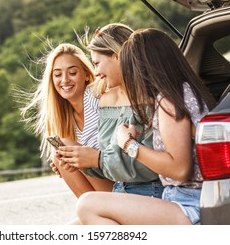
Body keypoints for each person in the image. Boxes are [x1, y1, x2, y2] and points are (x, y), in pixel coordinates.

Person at [74, 28, 216, 225]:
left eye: (130, 65)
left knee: (87, 205)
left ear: (144, 65)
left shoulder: (171, 100)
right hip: (181, 198)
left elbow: (180, 169)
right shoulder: (181, 92)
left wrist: (129, 144)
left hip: (189, 204)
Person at [57, 23, 164, 198]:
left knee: (87, 208)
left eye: (97, 63)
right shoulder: (106, 100)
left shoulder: (151, 100)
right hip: (119, 191)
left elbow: (154, 167)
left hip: (151, 192)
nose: (96, 72)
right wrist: (83, 163)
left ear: (117, 56)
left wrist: (97, 159)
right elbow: (110, 166)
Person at [20, 42, 114, 198]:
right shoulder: (65, 118)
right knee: (60, 154)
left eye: (72, 72)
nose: (65, 80)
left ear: (86, 75)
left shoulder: (94, 96)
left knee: (65, 147)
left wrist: (80, 157)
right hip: (104, 185)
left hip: (123, 184)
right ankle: (97, 213)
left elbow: (117, 150)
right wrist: (66, 165)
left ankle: (102, 212)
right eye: (57, 74)